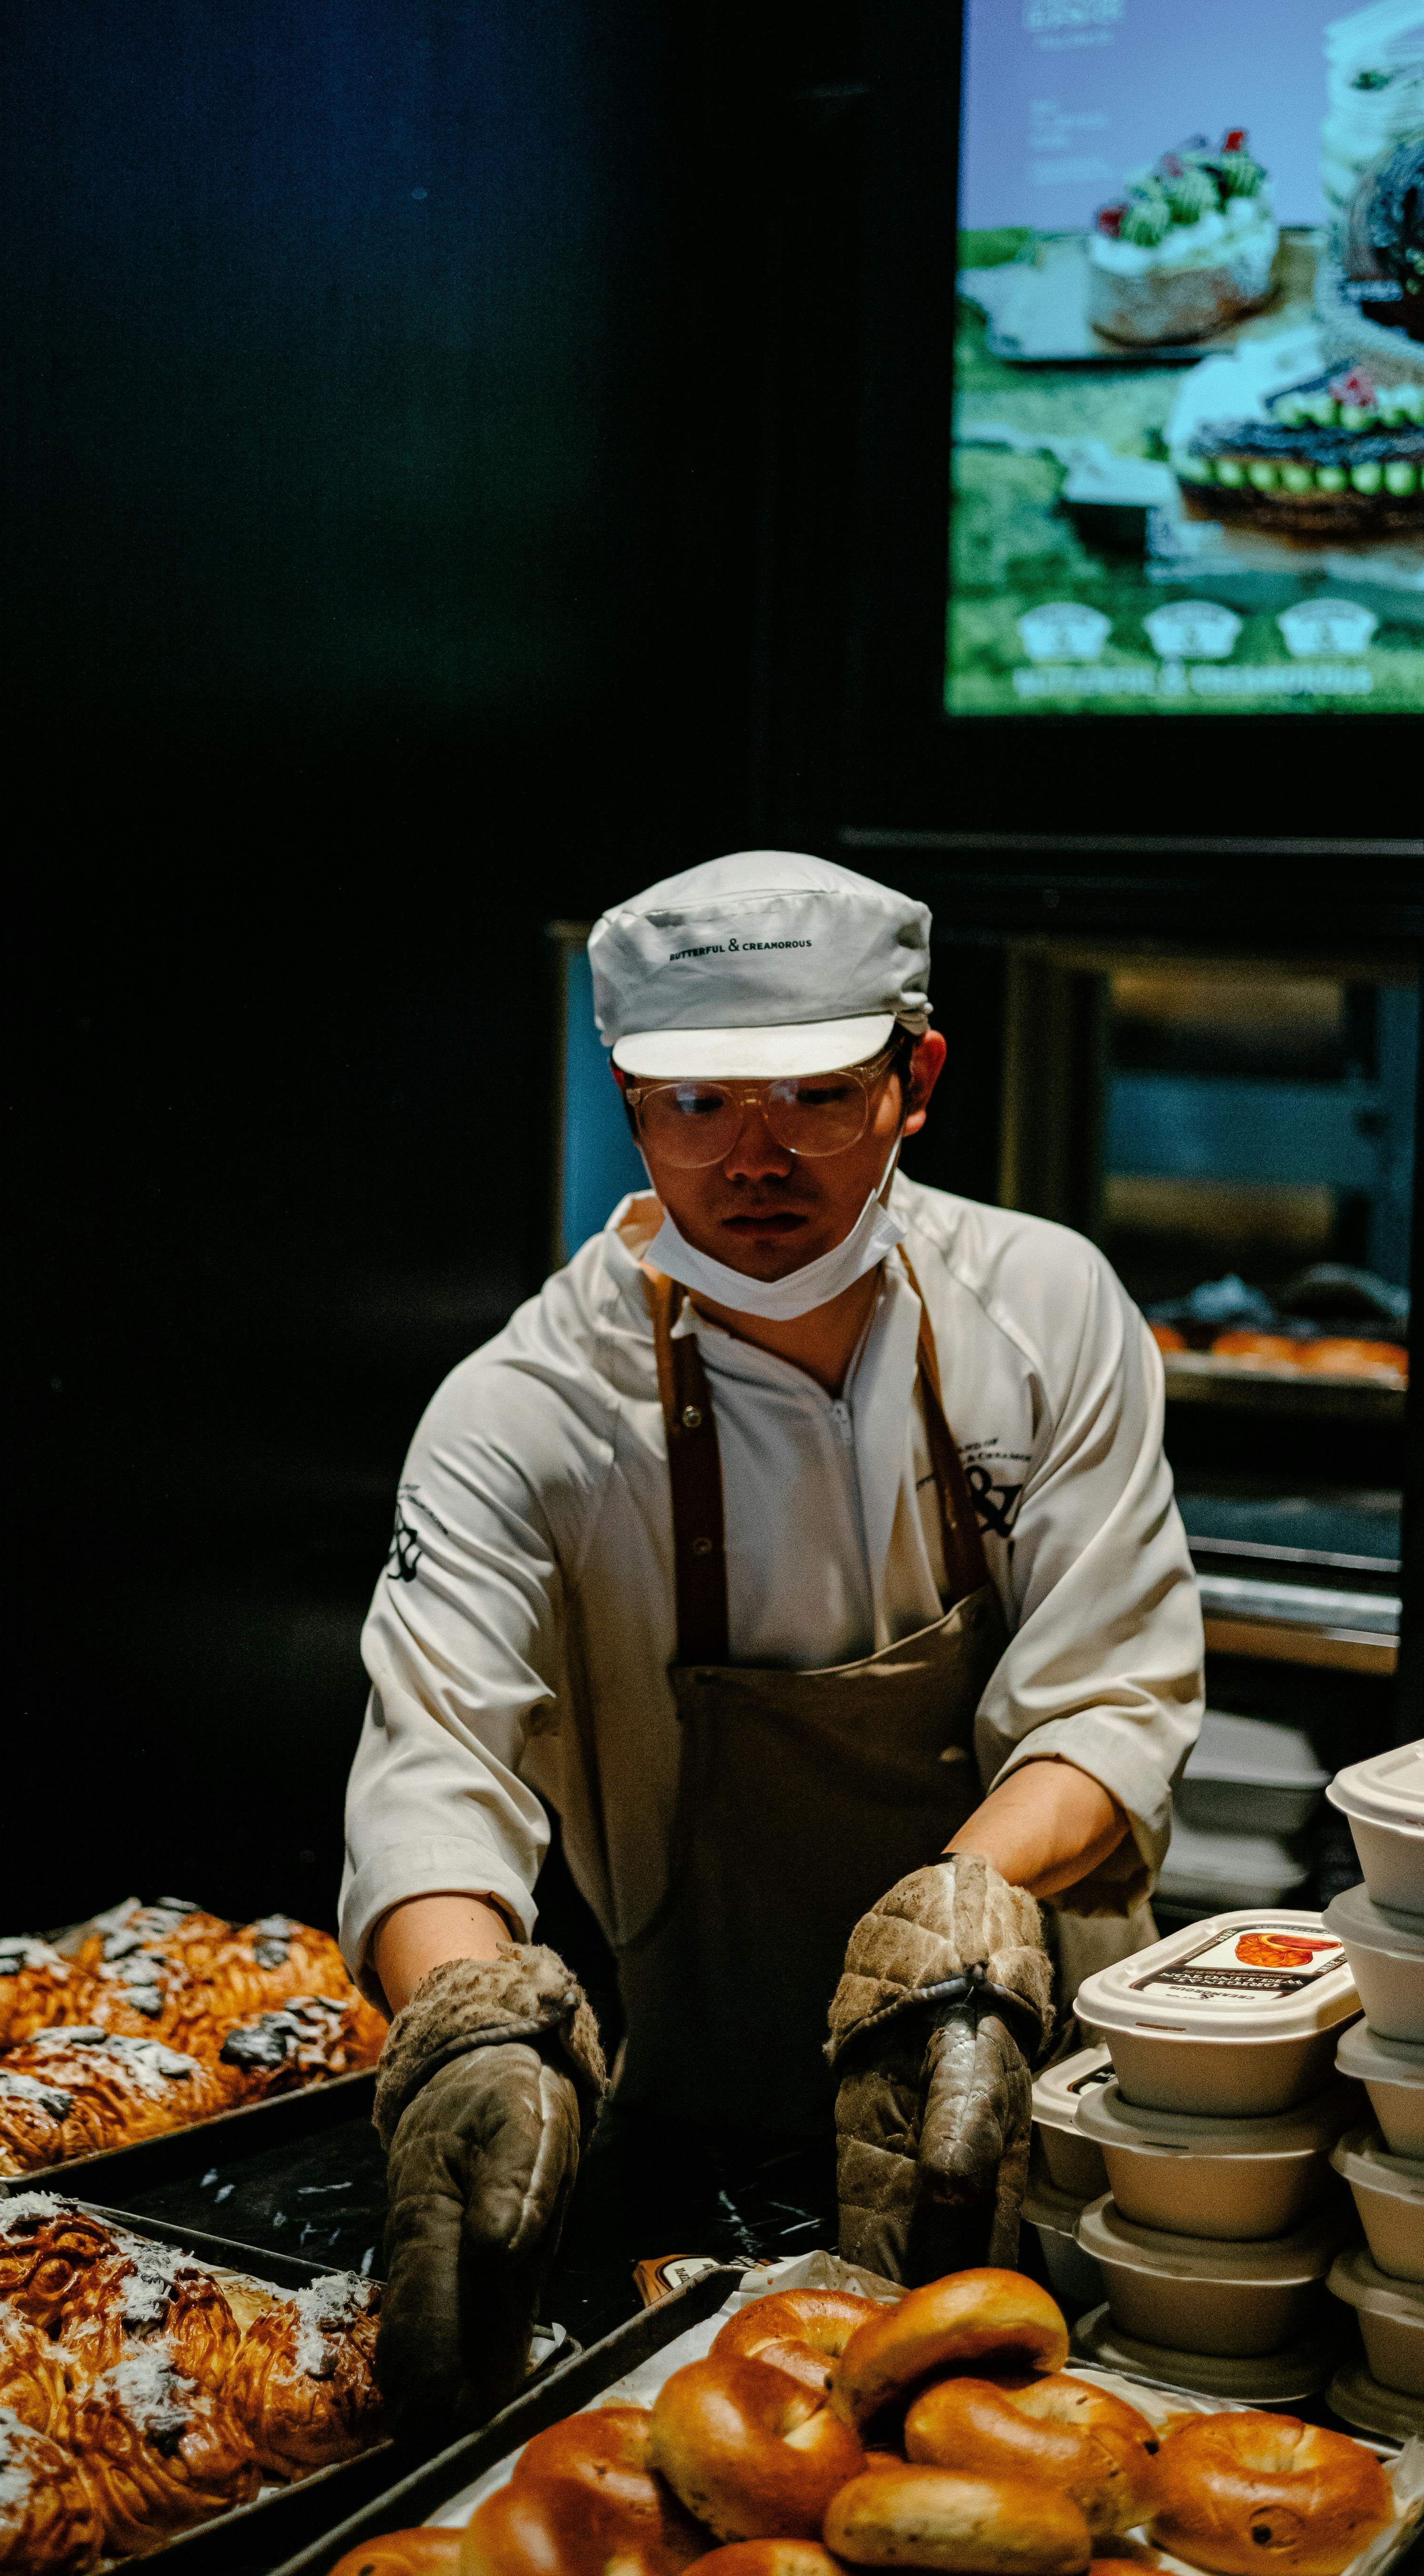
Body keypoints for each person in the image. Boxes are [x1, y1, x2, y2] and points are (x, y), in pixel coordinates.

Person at [342, 852, 1203, 2436]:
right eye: (695, 1104)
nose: (752, 1158)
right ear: (625, 1101)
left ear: (915, 1075)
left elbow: (1112, 1693)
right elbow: (432, 1770)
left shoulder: (1043, 1307)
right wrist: (463, 2025)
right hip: (709, 2112)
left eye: (812, 1093)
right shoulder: (523, 1412)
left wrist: (954, 1927)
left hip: (1053, 2091)